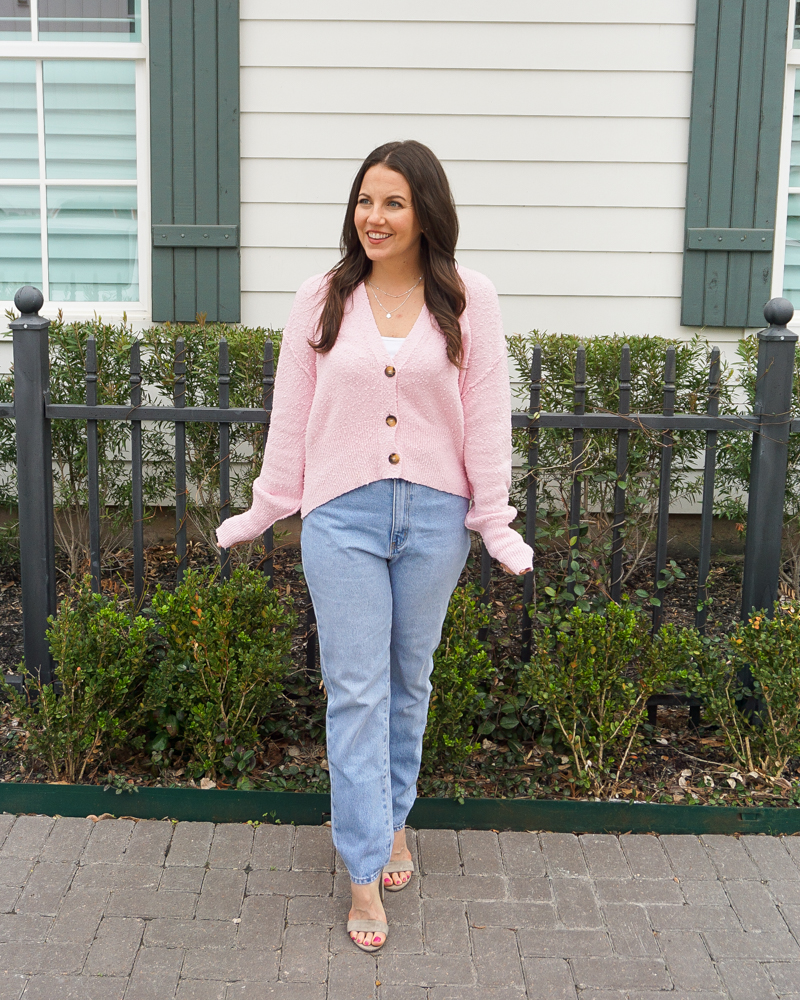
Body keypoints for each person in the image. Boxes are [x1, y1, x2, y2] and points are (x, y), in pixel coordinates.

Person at [216, 140, 534, 952]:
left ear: (425, 209)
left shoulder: (469, 297)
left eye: (392, 202)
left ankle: (395, 820)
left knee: (408, 679)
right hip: (342, 518)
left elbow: (486, 412)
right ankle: (363, 869)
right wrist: (266, 507)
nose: (375, 217)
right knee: (354, 690)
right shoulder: (320, 298)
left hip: (435, 517)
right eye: (365, 201)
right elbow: (292, 417)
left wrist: (492, 516)